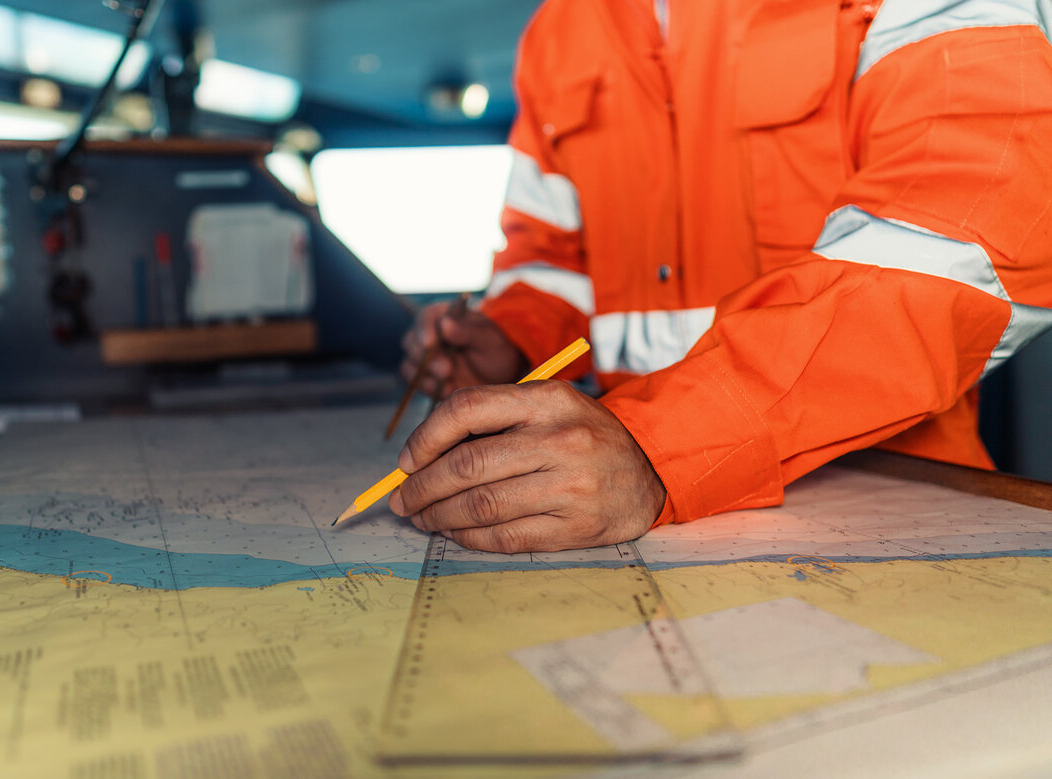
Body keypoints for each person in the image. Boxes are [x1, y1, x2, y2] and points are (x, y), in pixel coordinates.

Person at [390, 0, 1052, 553]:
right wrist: (511, 337)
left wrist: (667, 440)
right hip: (619, 516)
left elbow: (965, 234)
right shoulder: (561, 29)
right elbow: (554, 254)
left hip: (887, 507)